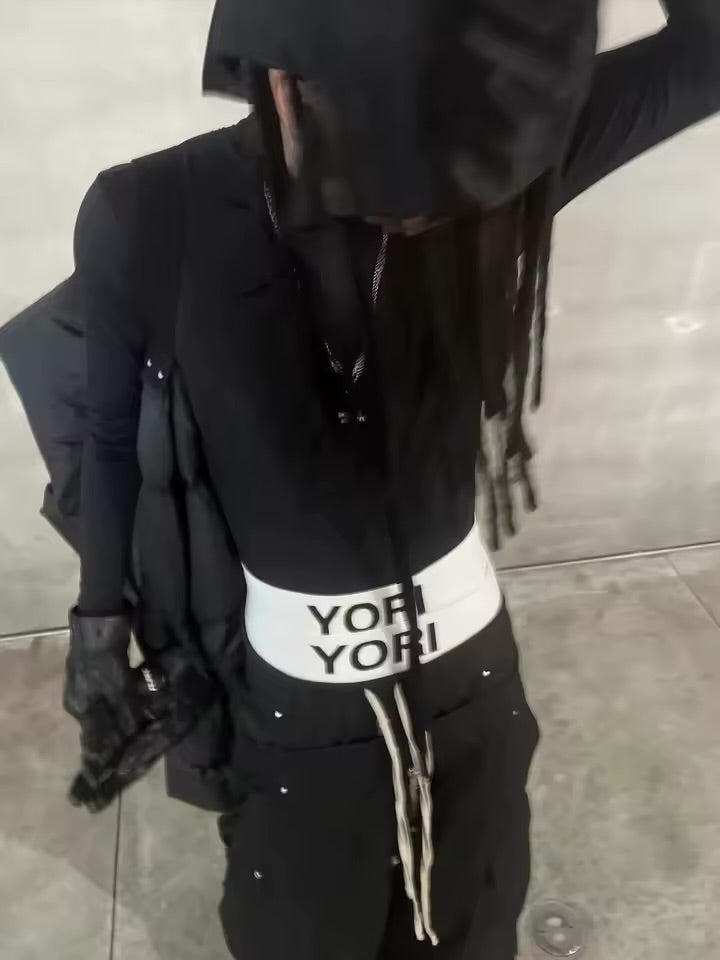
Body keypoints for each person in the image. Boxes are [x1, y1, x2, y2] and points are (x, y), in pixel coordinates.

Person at [3, 0, 717, 957]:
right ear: (286, 74)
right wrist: (100, 621)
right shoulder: (151, 209)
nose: (421, 200)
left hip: (472, 681)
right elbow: (107, 432)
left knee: (472, 927)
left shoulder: (485, 169)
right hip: (293, 701)